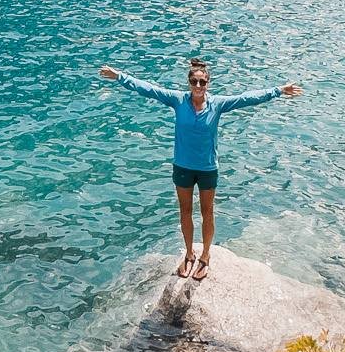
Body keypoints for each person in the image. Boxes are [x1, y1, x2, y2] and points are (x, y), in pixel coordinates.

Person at [99, 57, 299, 279]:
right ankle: (189, 254)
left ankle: (205, 255)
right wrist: (119, 76)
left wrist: (279, 90)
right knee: (185, 212)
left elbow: (247, 98)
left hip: (207, 168)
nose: (198, 86)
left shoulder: (218, 104)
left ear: (208, 83)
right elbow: (149, 89)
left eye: (202, 82)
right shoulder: (178, 100)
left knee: (207, 212)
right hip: (183, 166)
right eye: (194, 81)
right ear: (189, 82)